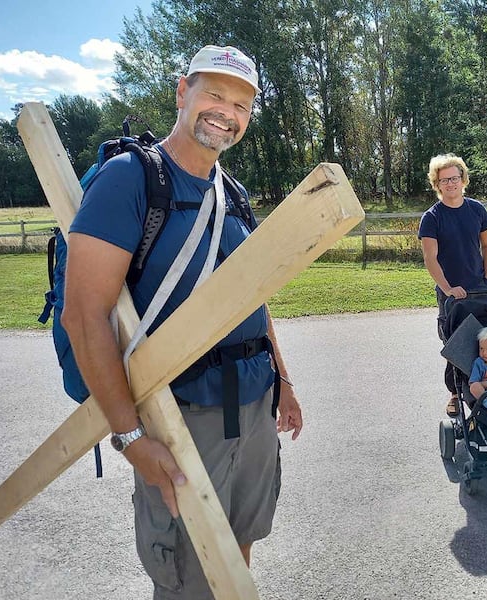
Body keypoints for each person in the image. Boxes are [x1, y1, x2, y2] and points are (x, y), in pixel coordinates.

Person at [62, 44, 302, 599]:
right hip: (179, 415)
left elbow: (253, 301)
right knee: (186, 573)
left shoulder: (233, 194)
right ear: (181, 92)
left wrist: (283, 382)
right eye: (215, 94)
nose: (227, 112)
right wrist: (130, 437)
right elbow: (84, 316)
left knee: (239, 545)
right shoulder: (131, 180)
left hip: (253, 406)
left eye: (241, 104)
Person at [417, 153, 487, 417]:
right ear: (437, 184)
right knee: (455, 343)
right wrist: (448, 288)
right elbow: (430, 258)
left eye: (454, 178)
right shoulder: (432, 217)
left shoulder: (476, 210)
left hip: (480, 289)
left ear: (463, 179)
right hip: (451, 294)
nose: (450, 183)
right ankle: (454, 394)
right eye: (444, 180)